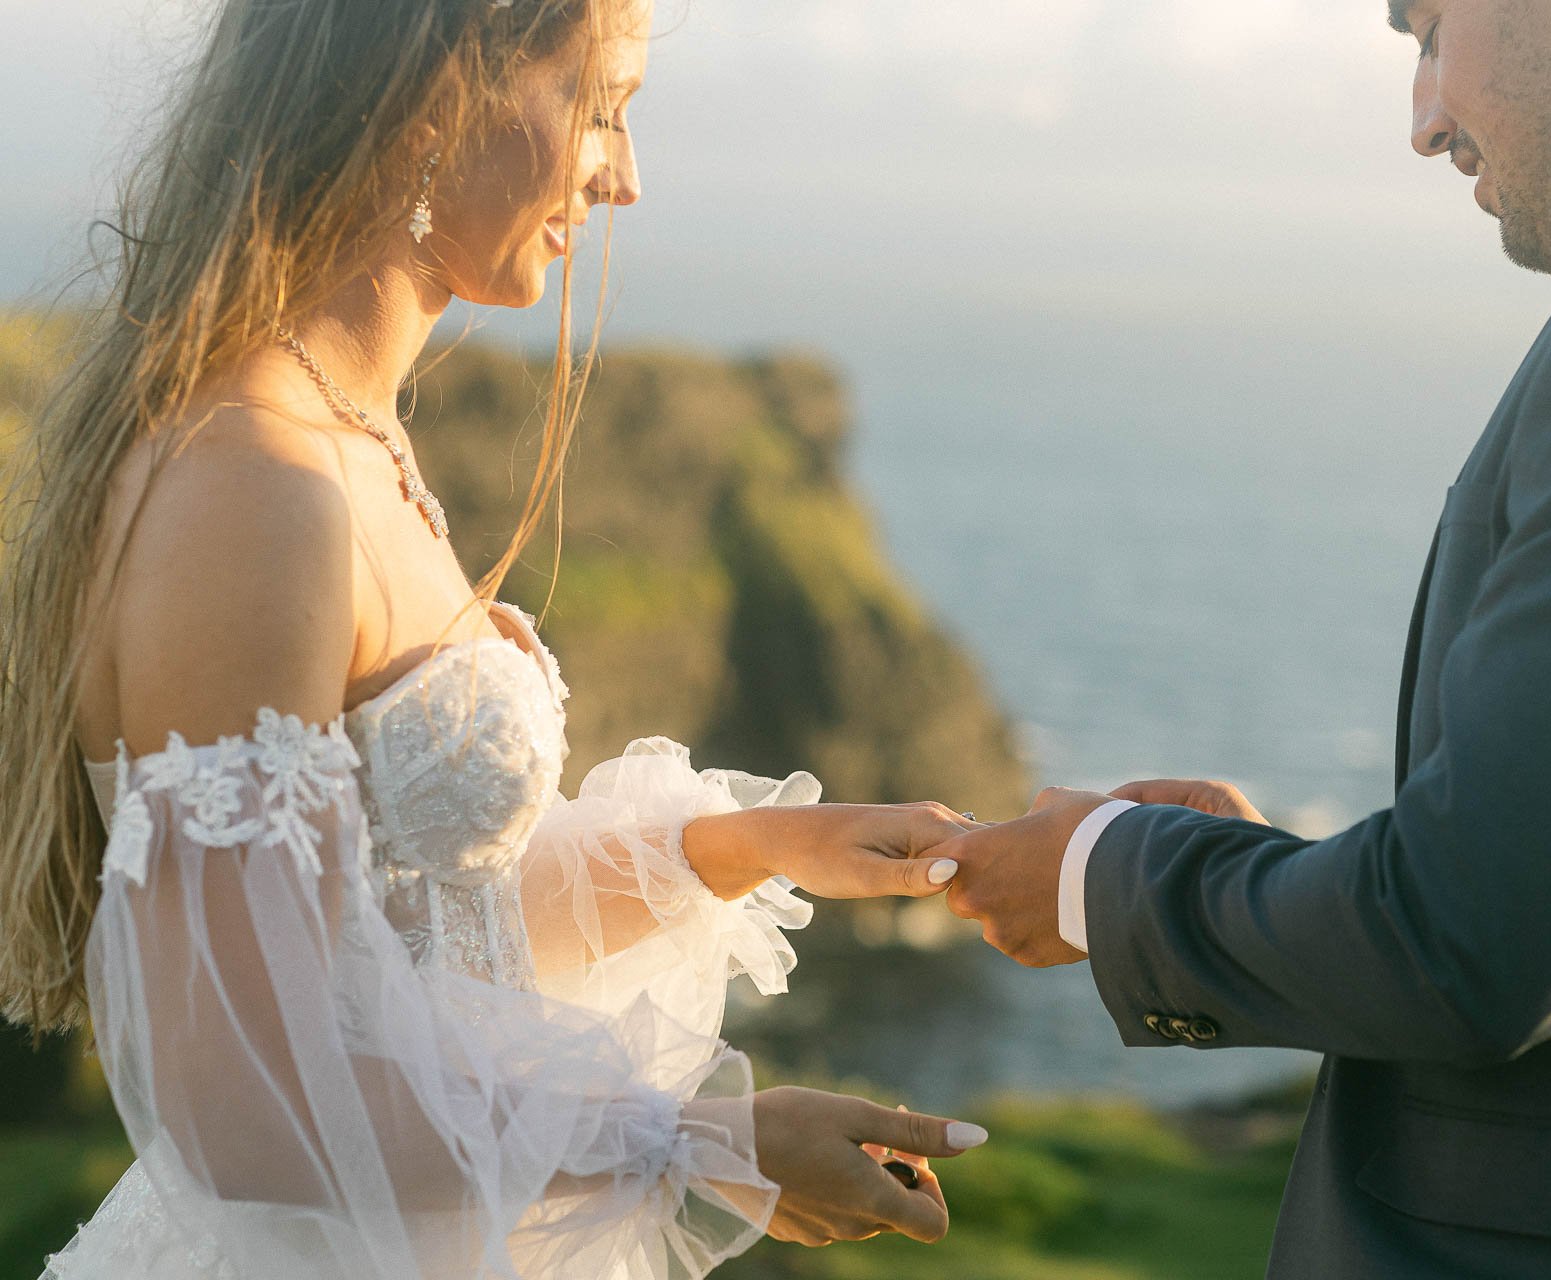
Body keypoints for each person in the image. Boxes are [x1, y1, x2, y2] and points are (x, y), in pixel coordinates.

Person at [0, 1, 988, 1276]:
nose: (625, 176)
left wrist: (762, 844)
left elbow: (422, 933)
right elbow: (238, 1101)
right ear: (437, 90)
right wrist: (690, 1142)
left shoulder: (347, 437)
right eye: (602, 106)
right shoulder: (252, 485)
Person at [934, 0, 1551, 1275]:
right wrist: (1266, 875)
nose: (1424, 118)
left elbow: (1469, 945)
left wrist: (1102, 871)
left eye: (1427, 29)